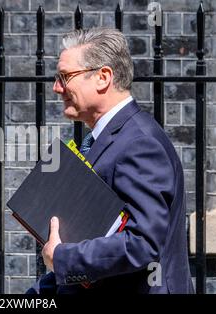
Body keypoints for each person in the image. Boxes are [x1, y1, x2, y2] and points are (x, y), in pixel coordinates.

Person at [26, 27, 194, 294]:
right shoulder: (110, 138)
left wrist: (62, 258)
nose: (57, 88)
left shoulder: (140, 143)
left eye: (65, 76)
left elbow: (143, 242)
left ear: (103, 77)